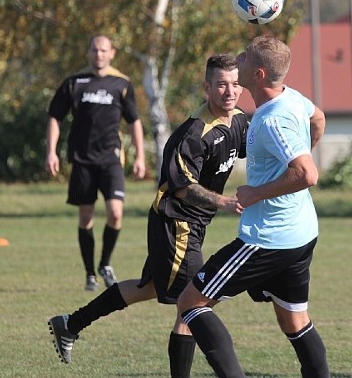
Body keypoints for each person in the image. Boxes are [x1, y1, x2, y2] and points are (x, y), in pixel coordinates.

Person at [47, 53, 247, 377]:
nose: (230, 91)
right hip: (176, 223)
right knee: (194, 302)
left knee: (150, 288)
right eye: (221, 84)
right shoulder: (194, 133)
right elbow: (182, 187)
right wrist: (221, 201)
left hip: (192, 225)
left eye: (236, 84)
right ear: (207, 88)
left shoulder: (238, 121)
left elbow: (259, 149)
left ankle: (70, 323)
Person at [177, 35, 329, 378]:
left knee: (191, 303)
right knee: (294, 320)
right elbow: (317, 118)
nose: (238, 60)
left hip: (267, 239)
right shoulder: (293, 98)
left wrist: (253, 194)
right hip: (301, 232)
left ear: (258, 75)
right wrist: (303, 147)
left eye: (244, 59)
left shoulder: (271, 119)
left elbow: (307, 173)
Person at [46, 34, 147, 291]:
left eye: (103, 50)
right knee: (86, 216)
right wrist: (51, 152)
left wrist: (140, 157)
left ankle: (105, 263)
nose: (98, 54)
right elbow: (55, 117)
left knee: (115, 213)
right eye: (94, 50)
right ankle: (90, 273)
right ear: (89, 52)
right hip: (81, 160)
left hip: (110, 159)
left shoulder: (121, 83)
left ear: (112, 52)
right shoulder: (75, 83)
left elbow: (134, 121)